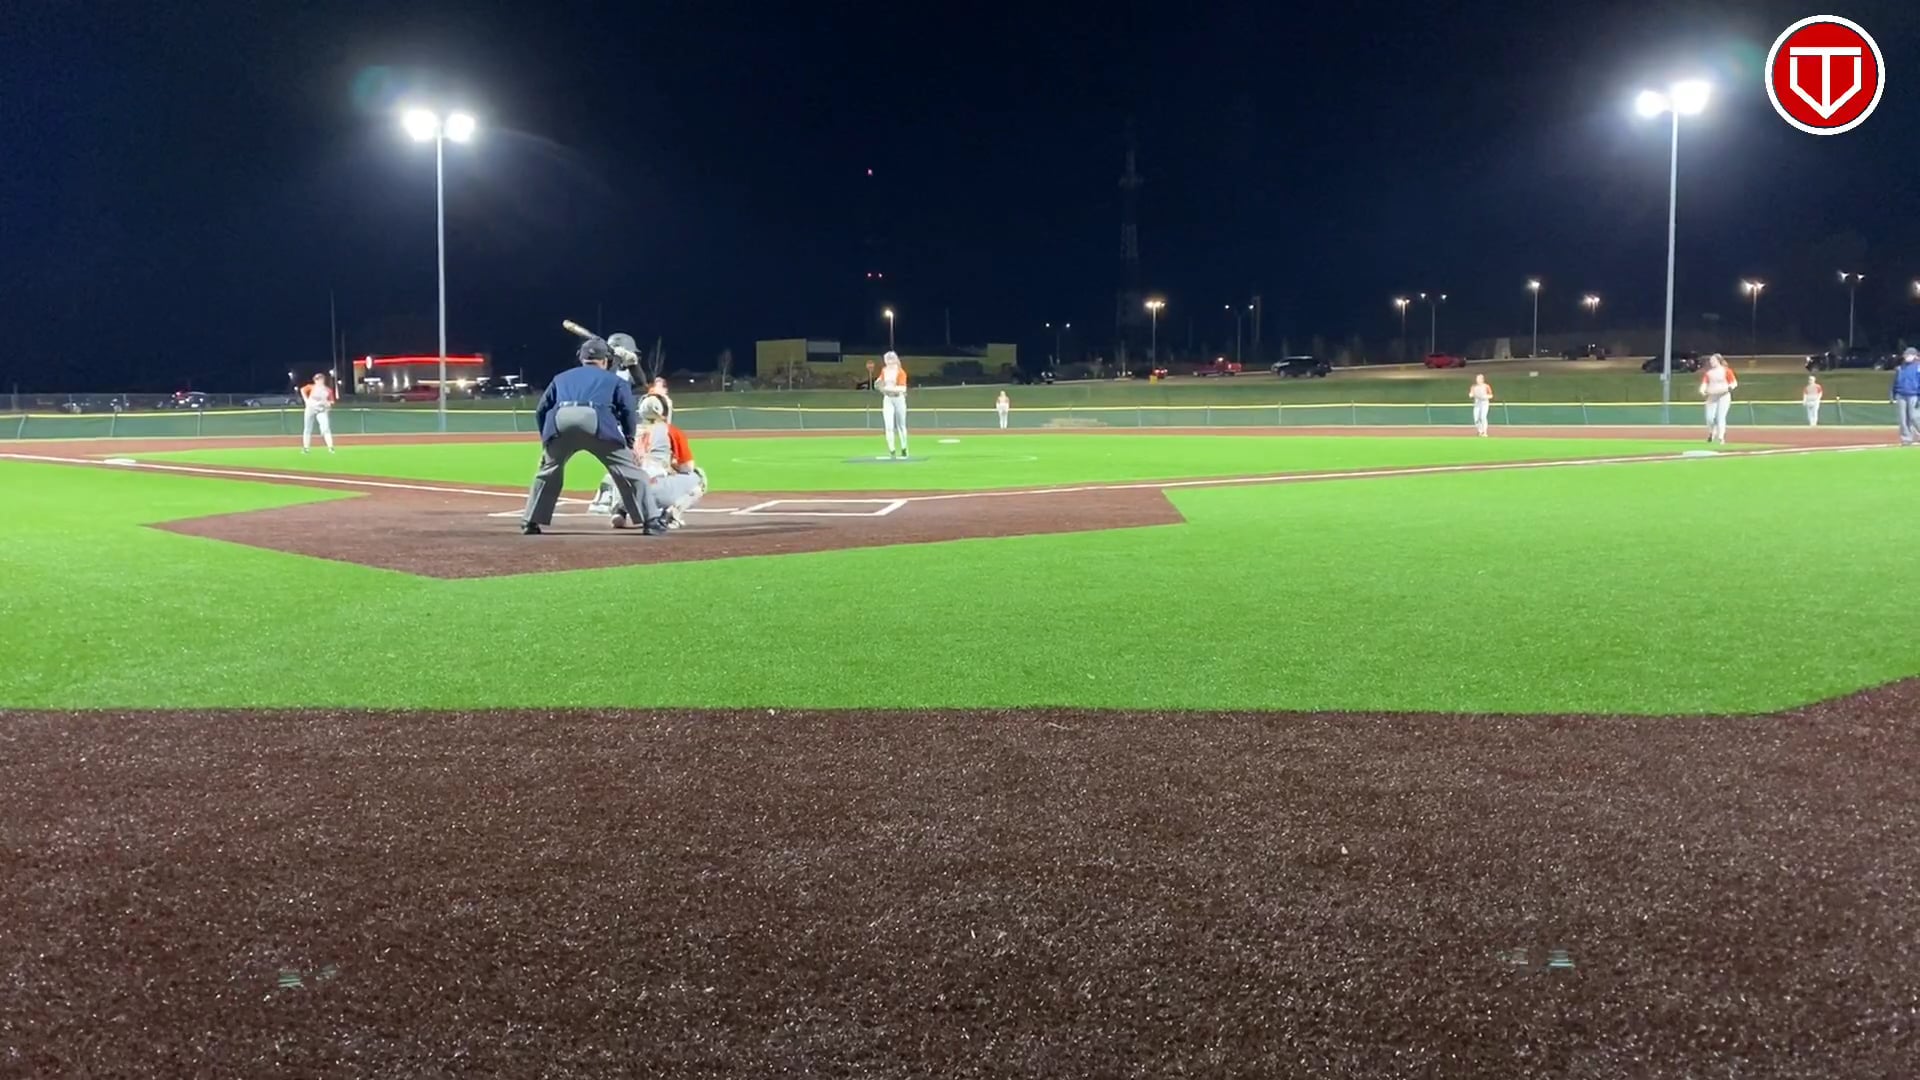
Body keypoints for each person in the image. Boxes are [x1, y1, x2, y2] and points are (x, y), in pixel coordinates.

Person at [520, 336, 658, 535]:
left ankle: (529, 522)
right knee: (631, 473)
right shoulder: (615, 380)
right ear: (606, 360)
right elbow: (628, 411)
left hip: (560, 421)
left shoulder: (561, 377)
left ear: (581, 358)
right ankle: (651, 521)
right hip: (596, 421)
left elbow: (541, 409)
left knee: (548, 472)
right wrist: (629, 443)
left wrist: (547, 442)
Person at [618, 394, 703, 530]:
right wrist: (673, 466)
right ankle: (671, 515)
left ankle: (619, 512)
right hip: (655, 489)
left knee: (617, 474)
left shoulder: (628, 430)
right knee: (699, 478)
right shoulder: (671, 431)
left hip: (626, 493)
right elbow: (687, 467)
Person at [1697, 354, 1737, 445]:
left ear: (1718, 361)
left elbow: (1734, 383)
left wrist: (1728, 388)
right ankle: (1712, 432)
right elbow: (1704, 384)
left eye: (1713, 360)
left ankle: (1721, 437)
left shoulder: (1726, 371)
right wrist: (1702, 390)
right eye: (1711, 360)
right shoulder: (1709, 373)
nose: (1711, 362)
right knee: (1709, 417)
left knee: (1721, 417)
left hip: (1724, 396)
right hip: (1712, 396)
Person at [876, 351, 909, 458]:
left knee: (901, 425)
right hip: (888, 399)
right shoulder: (884, 371)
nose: (889, 362)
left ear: (895, 360)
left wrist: (887, 388)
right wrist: (878, 384)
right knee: (889, 425)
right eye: (887, 360)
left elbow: (902, 388)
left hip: (899, 399)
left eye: (891, 359)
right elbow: (879, 382)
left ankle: (904, 447)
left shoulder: (900, 372)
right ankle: (892, 450)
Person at [300, 371, 337, 454]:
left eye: (320, 379)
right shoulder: (311, 387)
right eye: (316, 379)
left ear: (323, 380)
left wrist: (327, 404)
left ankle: (331, 448)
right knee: (307, 428)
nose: (318, 380)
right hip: (310, 409)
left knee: (326, 428)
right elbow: (302, 390)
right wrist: (306, 400)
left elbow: (331, 401)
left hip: (321, 410)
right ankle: (306, 448)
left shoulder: (327, 390)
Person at [1893, 347, 1920, 445]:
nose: (1906, 357)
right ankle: (1906, 438)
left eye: (1909, 355)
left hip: (1914, 395)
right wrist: (1893, 394)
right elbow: (1895, 382)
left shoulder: (1918, 367)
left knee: (1914, 416)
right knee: (1903, 419)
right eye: (1905, 355)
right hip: (1901, 395)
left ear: (1915, 356)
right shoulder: (1900, 368)